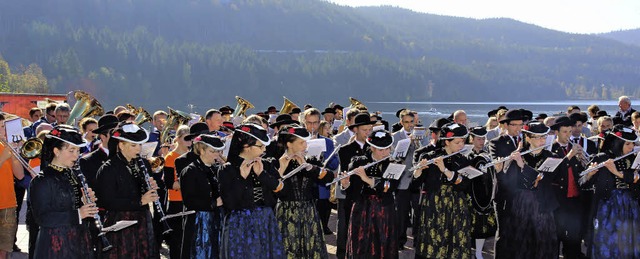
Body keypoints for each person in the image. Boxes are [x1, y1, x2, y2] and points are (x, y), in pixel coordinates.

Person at [29, 125, 97, 258]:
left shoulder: (73, 174)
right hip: (55, 243)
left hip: (77, 238)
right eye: (71, 150)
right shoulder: (42, 180)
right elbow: (42, 218)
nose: (76, 155)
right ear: (56, 151)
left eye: (78, 151)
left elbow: (71, 203)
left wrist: (84, 202)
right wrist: (78, 214)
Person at [218, 124, 285, 258]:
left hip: (265, 220)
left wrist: (262, 175)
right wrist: (241, 178)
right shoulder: (227, 169)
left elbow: (282, 191)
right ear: (246, 147)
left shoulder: (265, 164)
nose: (264, 149)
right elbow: (229, 203)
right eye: (260, 146)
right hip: (240, 223)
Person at [94, 122, 160, 258]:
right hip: (120, 224)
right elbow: (106, 201)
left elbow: (140, 190)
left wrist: (150, 187)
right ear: (121, 145)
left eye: (140, 145)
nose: (139, 149)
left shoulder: (143, 164)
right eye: (134, 145)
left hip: (142, 220)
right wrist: (140, 201)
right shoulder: (108, 168)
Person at [495, 122, 560, 258]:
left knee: (542, 242)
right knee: (521, 243)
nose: (542, 140)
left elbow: (543, 180)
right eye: (537, 137)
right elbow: (507, 184)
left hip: (542, 205)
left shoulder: (551, 156)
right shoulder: (518, 156)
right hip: (521, 205)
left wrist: (522, 166)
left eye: (544, 137)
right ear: (528, 138)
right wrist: (500, 171)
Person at [413, 122, 472, 258]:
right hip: (434, 205)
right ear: (446, 142)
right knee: (433, 241)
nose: (461, 146)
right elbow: (414, 186)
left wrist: (445, 170)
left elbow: (464, 185)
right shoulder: (429, 157)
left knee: (455, 240)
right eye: (457, 143)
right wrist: (418, 171)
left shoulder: (463, 160)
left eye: (462, 142)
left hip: (456, 205)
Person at [581, 125, 640, 258]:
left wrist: (615, 172)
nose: (631, 147)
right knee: (607, 239)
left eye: (632, 144)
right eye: (628, 144)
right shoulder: (602, 157)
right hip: (606, 205)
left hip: (629, 204)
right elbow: (584, 184)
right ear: (618, 143)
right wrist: (590, 174)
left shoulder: (634, 158)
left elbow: (636, 178)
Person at [275, 126, 331, 258]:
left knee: (311, 249)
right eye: (302, 143)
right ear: (289, 144)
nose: (305, 146)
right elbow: (273, 188)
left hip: (308, 210)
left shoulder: (310, 160)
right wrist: (281, 169)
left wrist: (309, 167)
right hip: (286, 212)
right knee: (288, 247)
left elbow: (328, 179)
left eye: (306, 142)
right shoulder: (277, 161)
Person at [341, 130, 398, 258]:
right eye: (380, 150)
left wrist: (366, 178)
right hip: (362, 208)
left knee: (382, 242)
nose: (385, 153)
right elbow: (352, 192)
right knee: (361, 244)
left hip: (384, 209)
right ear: (372, 147)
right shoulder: (358, 162)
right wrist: (345, 183)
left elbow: (389, 187)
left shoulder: (394, 164)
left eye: (387, 149)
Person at [336, 113, 375, 259]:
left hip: (372, 196)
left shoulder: (375, 147)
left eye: (370, 129)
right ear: (355, 130)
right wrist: (344, 185)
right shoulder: (345, 150)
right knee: (348, 231)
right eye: (364, 130)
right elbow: (345, 176)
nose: (368, 133)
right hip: (353, 196)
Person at [180, 134, 225, 259]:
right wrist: (213, 203)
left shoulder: (217, 169)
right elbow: (189, 201)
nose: (216, 155)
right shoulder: (190, 171)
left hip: (217, 219)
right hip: (198, 222)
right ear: (201, 150)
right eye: (212, 151)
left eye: (218, 151)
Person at [550, 115, 589, 258]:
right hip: (559, 199)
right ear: (557, 133)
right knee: (557, 233)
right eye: (564, 132)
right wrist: (570, 157)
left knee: (574, 233)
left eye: (569, 132)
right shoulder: (551, 149)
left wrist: (588, 172)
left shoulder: (573, 148)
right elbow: (553, 174)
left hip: (575, 198)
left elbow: (579, 174)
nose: (568, 135)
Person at [391, 110, 427, 250]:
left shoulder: (422, 135)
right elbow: (394, 157)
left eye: (412, 122)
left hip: (418, 180)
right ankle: (400, 242)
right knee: (401, 214)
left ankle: (418, 241)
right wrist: (407, 143)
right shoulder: (395, 137)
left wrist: (417, 143)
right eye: (406, 122)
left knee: (419, 213)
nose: (409, 125)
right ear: (401, 122)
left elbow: (425, 153)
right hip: (402, 180)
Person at [465, 126, 496, 259]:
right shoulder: (465, 154)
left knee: (481, 226)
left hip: (483, 195)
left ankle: (478, 253)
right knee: (466, 225)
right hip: (468, 194)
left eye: (483, 138)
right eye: (479, 138)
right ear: (472, 139)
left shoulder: (488, 155)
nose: (482, 141)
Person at [163, 125, 190, 259]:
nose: (189, 142)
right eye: (186, 139)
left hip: (189, 201)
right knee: (176, 240)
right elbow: (169, 184)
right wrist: (189, 182)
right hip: (176, 202)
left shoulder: (191, 156)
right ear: (178, 139)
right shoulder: (170, 157)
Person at [0, 113, 25, 259]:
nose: (2, 131)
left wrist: (15, 154)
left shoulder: (5, 145)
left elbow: (20, 175)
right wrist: (3, 157)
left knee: (4, 249)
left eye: (3, 127)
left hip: (8, 203)